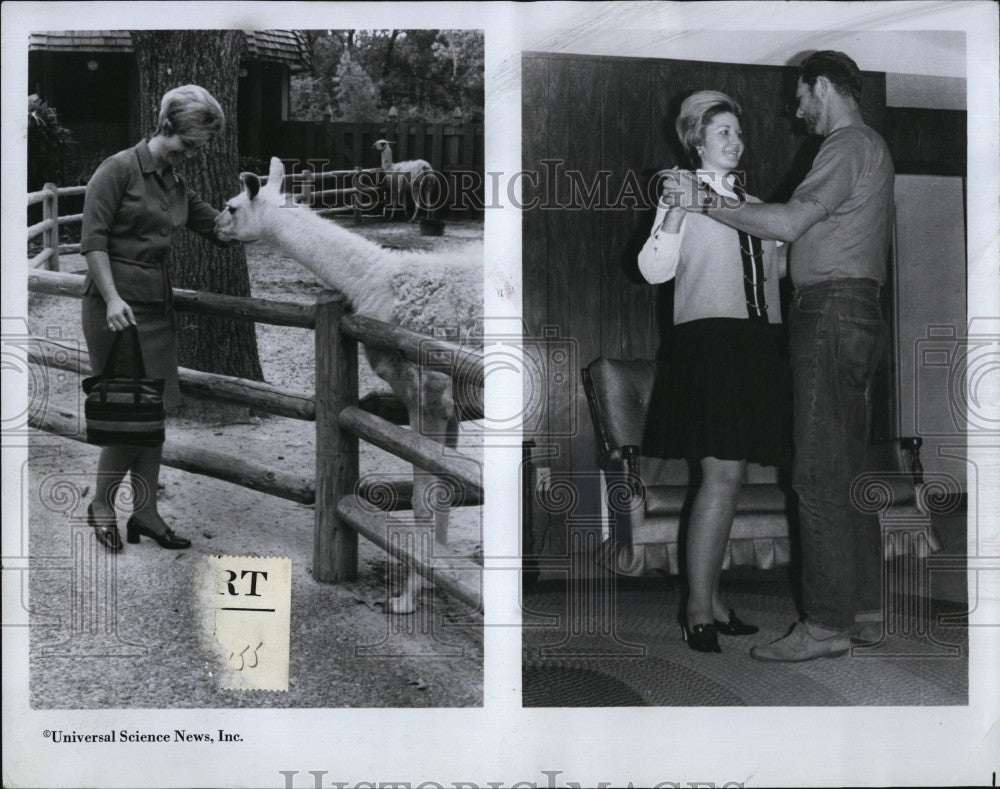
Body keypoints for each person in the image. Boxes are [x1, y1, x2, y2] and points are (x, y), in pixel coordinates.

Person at [672, 51, 894, 662]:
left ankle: (825, 627)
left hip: (830, 313)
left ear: (823, 87)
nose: (798, 115)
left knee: (819, 475)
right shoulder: (867, 148)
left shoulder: (847, 144)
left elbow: (791, 223)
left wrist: (702, 201)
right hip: (858, 309)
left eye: (801, 99)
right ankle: (866, 610)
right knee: (846, 468)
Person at [638, 90, 791, 654]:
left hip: (759, 348)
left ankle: (712, 598)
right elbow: (653, 270)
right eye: (722, 132)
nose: (735, 141)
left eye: (738, 132)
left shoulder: (755, 204)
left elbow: (777, 277)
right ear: (696, 139)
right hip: (711, 349)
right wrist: (677, 208)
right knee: (721, 480)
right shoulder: (679, 192)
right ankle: (698, 607)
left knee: (733, 480)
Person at [80, 84, 229, 553]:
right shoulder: (118, 169)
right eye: (187, 145)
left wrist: (266, 218)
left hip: (156, 309)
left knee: (155, 413)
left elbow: (219, 227)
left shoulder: (174, 181)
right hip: (115, 309)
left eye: (198, 148)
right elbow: (92, 242)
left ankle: (144, 512)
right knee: (128, 412)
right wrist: (111, 298)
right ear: (165, 127)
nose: (190, 155)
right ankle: (101, 505)